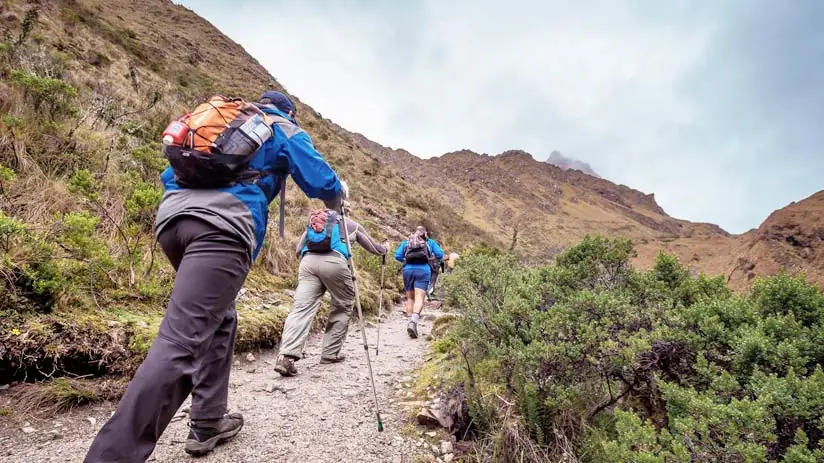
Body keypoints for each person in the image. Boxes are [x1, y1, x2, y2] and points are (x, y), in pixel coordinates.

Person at [84, 91, 346, 462]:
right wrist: (340, 193)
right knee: (181, 342)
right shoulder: (283, 127)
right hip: (222, 231)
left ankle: (208, 421)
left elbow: (168, 172)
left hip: (173, 222)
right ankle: (110, 457)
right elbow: (322, 183)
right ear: (290, 112)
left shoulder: (219, 123)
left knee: (220, 318)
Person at [274, 209, 387, 376]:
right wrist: (385, 248)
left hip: (308, 263)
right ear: (345, 208)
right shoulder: (352, 225)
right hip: (335, 262)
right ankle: (330, 353)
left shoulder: (315, 223)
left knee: (301, 308)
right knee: (342, 305)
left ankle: (286, 356)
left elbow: (298, 249)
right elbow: (375, 249)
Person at [394, 226, 444, 339]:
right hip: (424, 270)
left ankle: (410, 322)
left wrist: (406, 260)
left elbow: (397, 255)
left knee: (410, 298)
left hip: (408, 270)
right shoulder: (429, 242)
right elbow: (440, 254)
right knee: (419, 298)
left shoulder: (407, 242)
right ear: (425, 234)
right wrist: (431, 260)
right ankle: (413, 322)